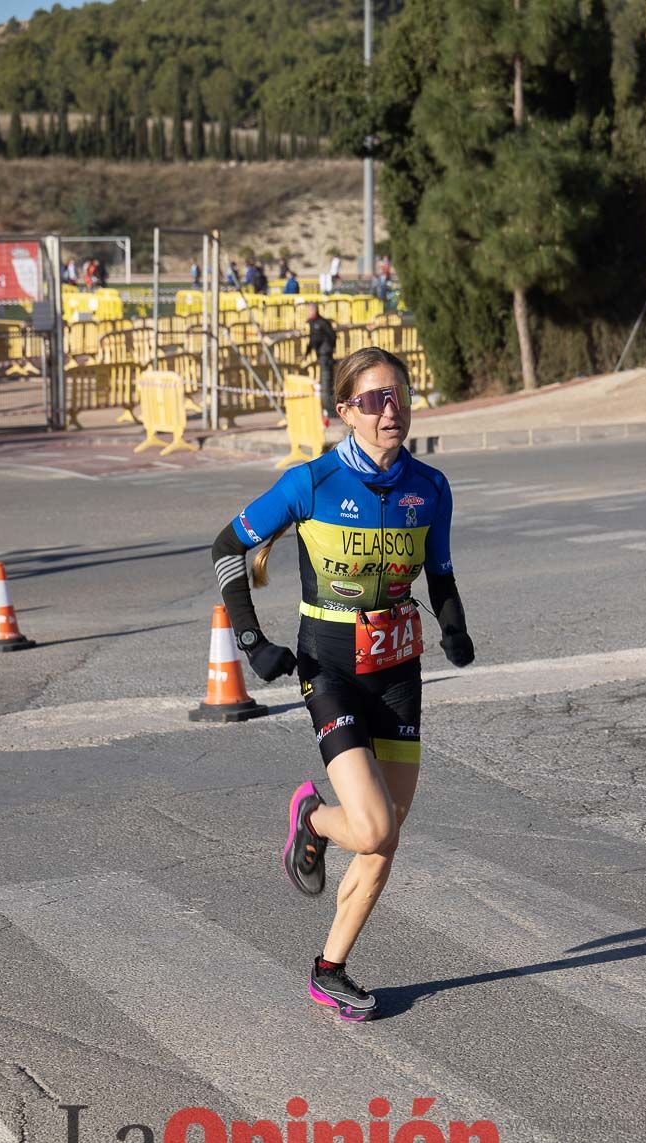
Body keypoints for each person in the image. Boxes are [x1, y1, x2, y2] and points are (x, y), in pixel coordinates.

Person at [211, 346, 474, 1020]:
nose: (392, 410)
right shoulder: (312, 482)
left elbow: (438, 572)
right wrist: (250, 641)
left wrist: (454, 628)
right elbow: (226, 546)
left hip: (398, 672)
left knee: (386, 836)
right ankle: (314, 819)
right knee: (371, 824)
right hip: (327, 666)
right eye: (374, 399)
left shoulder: (431, 487)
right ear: (345, 412)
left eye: (400, 395)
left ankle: (330, 968)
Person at [304, 302, 336, 418]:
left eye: (310, 310)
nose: (308, 313)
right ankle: (328, 408)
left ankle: (330, 409)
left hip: (325, 356)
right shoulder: (314, 323)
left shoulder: (321, 323)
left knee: (326, 383)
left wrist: (328, 349)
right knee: (325, 382)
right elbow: (313, 340)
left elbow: (319, 339)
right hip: (323, 355)